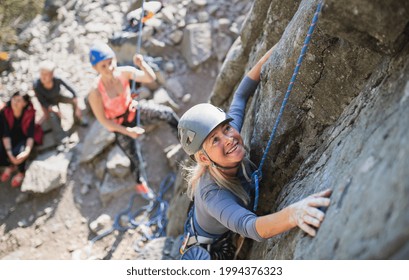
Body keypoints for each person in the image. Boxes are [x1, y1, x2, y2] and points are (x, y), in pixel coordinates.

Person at [177, 45, 332, 259]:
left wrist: (267, 59)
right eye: (215, 140)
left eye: (227, 129)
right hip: (207, 248)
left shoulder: (228, 141)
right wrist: (294, 214)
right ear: (203, 158)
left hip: (211, 222)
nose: (229, 139)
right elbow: (250, 227)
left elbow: (240, 96)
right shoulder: (212, 194)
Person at [87, 42, 179, 194]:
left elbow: (150, 78)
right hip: (118, 124)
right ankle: (140, 184)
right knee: (134, 156)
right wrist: (128, 132)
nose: (109, 68)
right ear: (95, 69)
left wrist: (142, 64)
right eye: (103, 66)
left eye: (111, 62)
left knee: (167, 113)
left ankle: (183, 137)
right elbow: (104, 121)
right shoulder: (95, 92)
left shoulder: (124, 72)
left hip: (132, 109)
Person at [33, 60, 84, 143]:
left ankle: (78, 120)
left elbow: (73, 90)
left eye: (46, 74)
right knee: (53, 116)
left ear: (52, 75)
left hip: (58, 96)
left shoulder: (58, 79)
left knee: (72, 100)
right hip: (49, 103)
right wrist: (52, 108)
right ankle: (61, 138)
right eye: (41, 74)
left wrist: (77, 106)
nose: (43, 77)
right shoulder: (36, 85)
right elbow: (42, 101)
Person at [0, 92, 42, 187]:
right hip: (8, 138)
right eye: (14, 99)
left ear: (25, 103)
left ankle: (21, 172)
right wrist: (9, 153)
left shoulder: (29, 113)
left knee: (18, 155)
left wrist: (27, 151)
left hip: (24, 139)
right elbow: (5, 134)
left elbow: (30, 135)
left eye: (18, 100)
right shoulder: (6, 111)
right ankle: (9, 166)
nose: (15, 102)